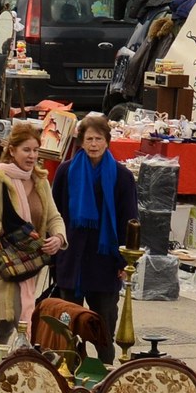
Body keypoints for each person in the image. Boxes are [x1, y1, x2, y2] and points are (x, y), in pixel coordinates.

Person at [0, 118, 64, 344]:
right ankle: (27, 367)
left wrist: (58, 237)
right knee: (23, 324)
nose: (32, 156)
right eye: (26, 150)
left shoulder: (40, 181)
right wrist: (1, 230)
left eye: (36, 150)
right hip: (6, 263)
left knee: (6, 325)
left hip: (30, 261)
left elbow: (54, 217)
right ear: (12, 150)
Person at [48, 120, 138, 333]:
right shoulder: (66, 171)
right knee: (67, 329)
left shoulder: (122, 177)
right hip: (71, 260)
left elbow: (130, 220)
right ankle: (70, 365)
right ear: (81, 142)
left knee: (104, 328)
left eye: (99, 139)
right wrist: (53, 258)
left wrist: (125, 262)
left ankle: (105, 365)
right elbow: (53, 214)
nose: (94, 144)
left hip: (105, 263)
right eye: (89, 139)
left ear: (107, 142)